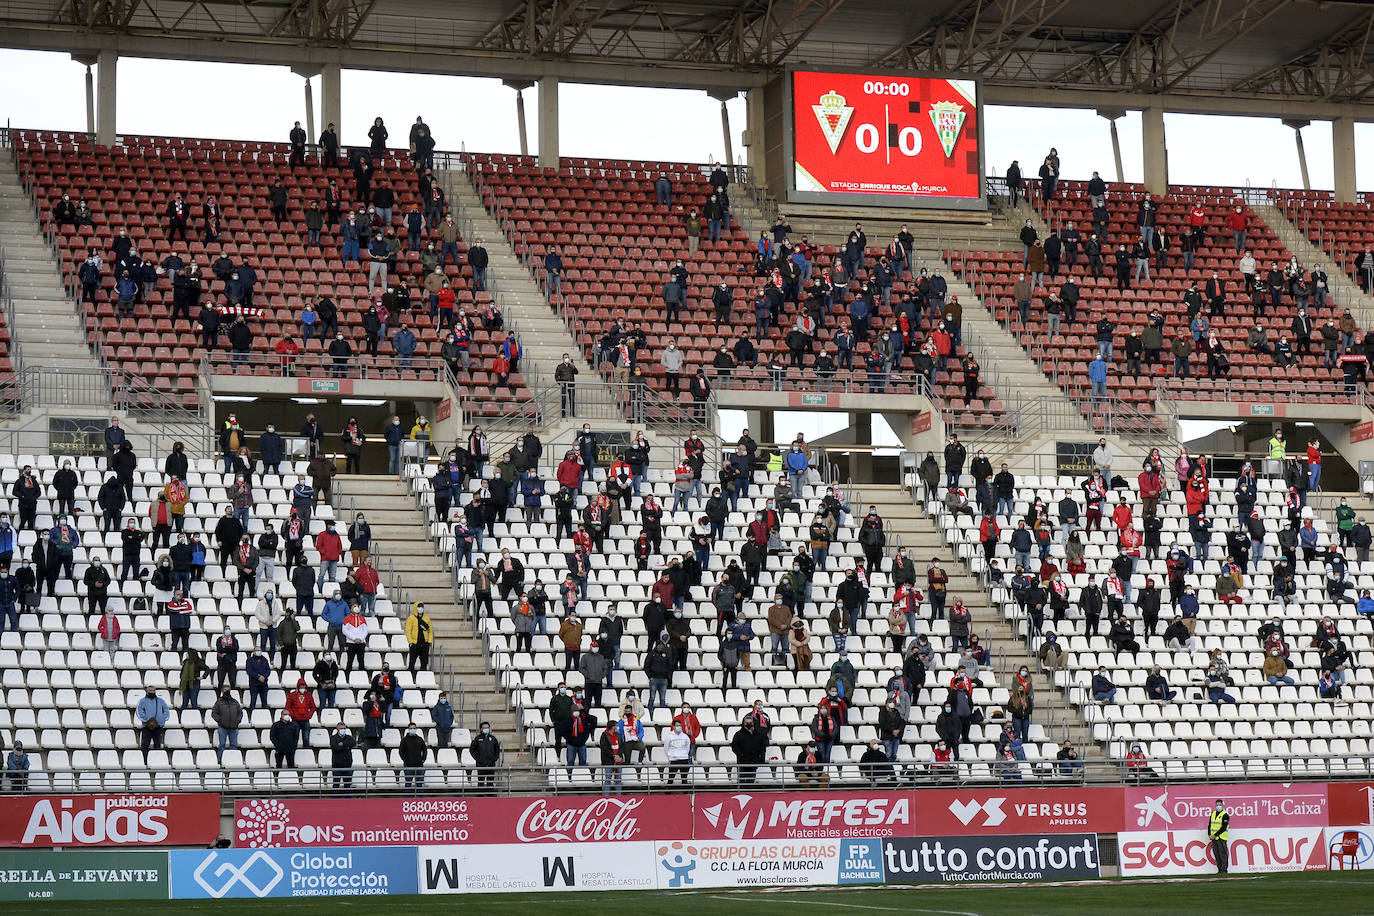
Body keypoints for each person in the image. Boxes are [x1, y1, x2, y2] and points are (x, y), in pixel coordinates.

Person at [135, 686, 169, 761]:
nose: (152, 692)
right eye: (150, 690)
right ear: (147, 691)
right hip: (146, 726)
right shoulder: (142, 701)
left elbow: (166, 710)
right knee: (145, 745)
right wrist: (146, 720)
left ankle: (157, 761)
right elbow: (139, 711)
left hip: (158, 726)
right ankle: (144, 761)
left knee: (157, 745)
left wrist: (163, 719)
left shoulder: (161, 701)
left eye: (154, 690)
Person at [470, 721, 502, 793]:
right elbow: (472, 749)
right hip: (481, 764)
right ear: (481, 729)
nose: (486, 729)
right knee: (481, 781)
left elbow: (497, 749)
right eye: (484, 728)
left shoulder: (493, 738)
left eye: (487, 727)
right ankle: (480, 796)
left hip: (491, 764)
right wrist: (478, 759)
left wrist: (495, 758)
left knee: (490, 781)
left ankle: (490, 796)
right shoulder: (477, 739)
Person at [330, 723, 356, 794]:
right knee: (336, 784)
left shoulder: (349, 737)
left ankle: (348, 800)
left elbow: (353, 743)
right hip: (337, 765)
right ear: (337, 729)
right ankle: (335, 800)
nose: (343, 730)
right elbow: (335, 748)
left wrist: (343, 744)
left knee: (347, 785)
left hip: (347, 765)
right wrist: (347, 747)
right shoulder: (333, 738)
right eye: (341, 728)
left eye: (344, 728)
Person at [1209, 800, 1231, 874]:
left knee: (1223, 854)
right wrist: (1209, 834)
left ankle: (1224, 870)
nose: (1218, 806)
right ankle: (1219, 869)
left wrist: (1215, 835)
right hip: (1214, 838)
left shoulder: (1225, 815)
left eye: (1220, 805)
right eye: (1217, 805)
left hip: (1221, 837)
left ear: (1222, 805)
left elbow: (1223, 827)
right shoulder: (1213, 813)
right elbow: (1210, 825)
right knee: (1216, 854)